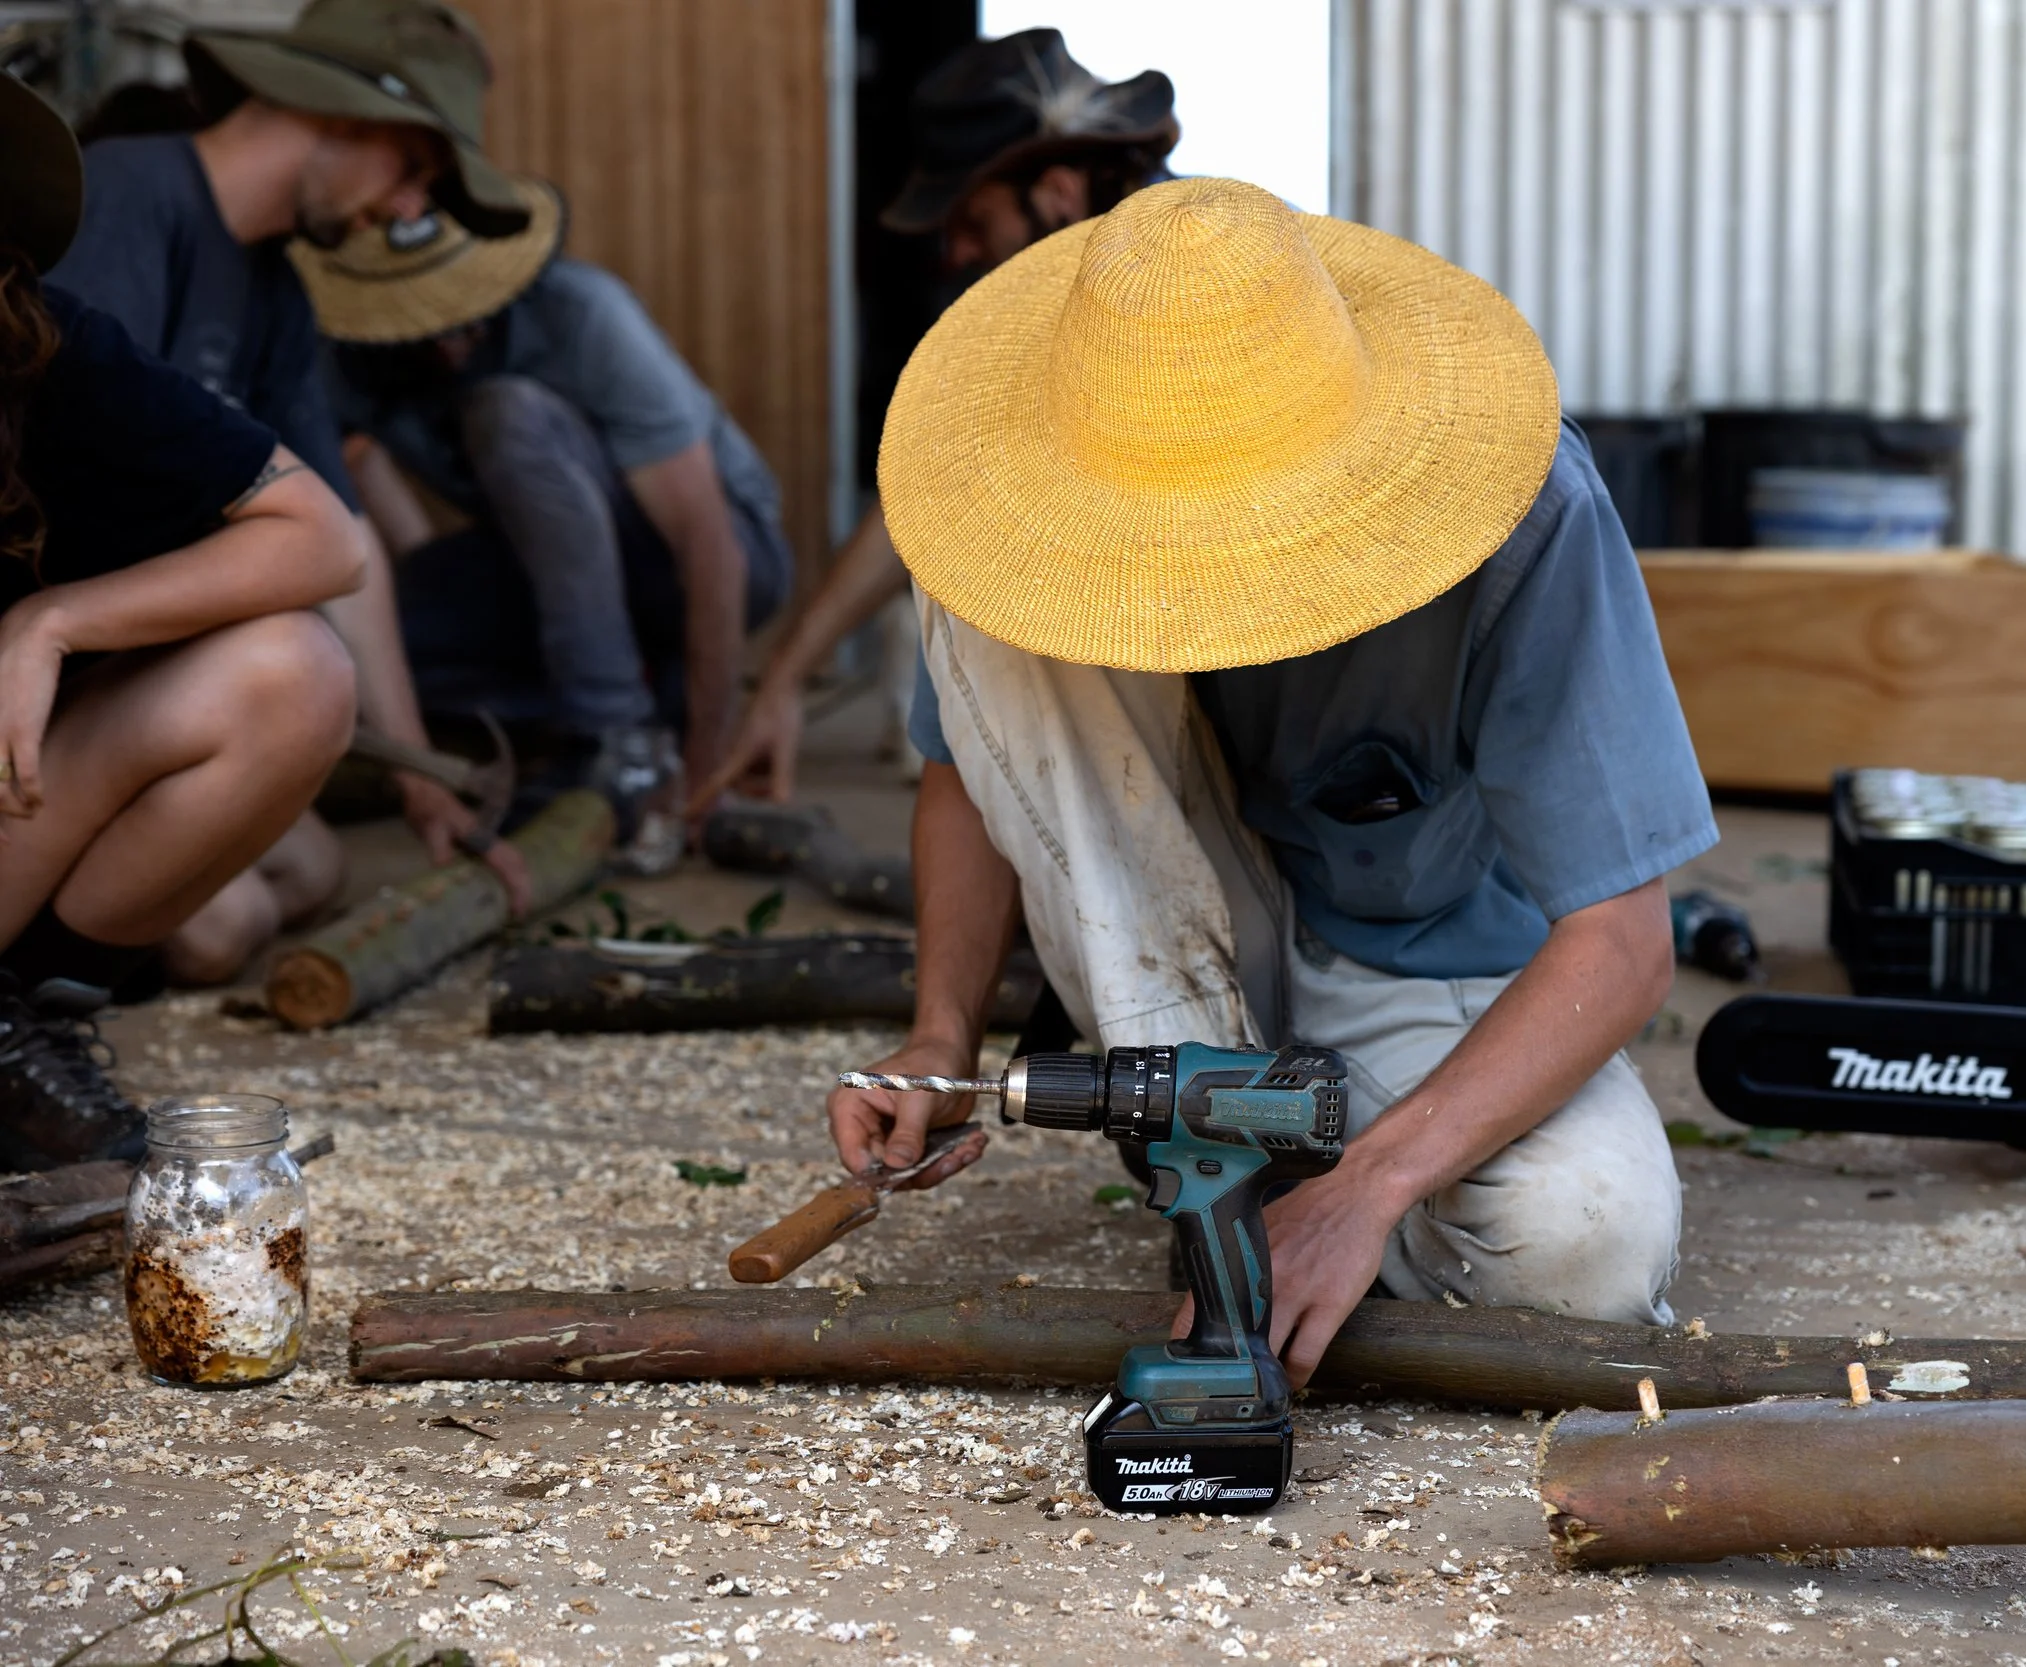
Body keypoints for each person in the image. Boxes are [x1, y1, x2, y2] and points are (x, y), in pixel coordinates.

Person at [831, 178, 1719, 1382]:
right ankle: (1211, 1131)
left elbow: (1621, 942)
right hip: (1157, 974)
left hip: (1422, 971)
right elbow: (972, 774)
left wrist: (1370, 1184)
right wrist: (938, 1035)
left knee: (1585, 1252)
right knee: (974, 595)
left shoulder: (1528, 511)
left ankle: (1301, 1186)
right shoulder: (1020, 517)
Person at [46, 0, 532, 978]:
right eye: (411, 170)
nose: (408, 212)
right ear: (341, 113)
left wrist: (419, 783)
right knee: (216, 926)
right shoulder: (130, 196)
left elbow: (345, 545)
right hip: (45, 670)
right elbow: (62, 490)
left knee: (309, 868)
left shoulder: (274, 287)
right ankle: (36, 972)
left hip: (134, 672)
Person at [0, 72, 362, 1166]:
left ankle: (19, 1028)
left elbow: (324, 537)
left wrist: (50, 621)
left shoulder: (49, 351)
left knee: (292, 670)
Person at [693, 28, 1176, 810]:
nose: (957, 252)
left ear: (1055, 193)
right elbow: (923, 497)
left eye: (975, 223)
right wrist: (781, 683)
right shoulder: (1043, 313)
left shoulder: (1198, 288)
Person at [293, 178, 792, 796]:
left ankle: (613, 733)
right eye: (420, 320)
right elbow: (356, 476)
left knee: (508, 416)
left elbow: (708, 546)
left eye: (460, 312)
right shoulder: (351, 355)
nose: (447, 341)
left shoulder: (583, 312)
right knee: (332, 646)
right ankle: (606, 701)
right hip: (545, 570)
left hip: (717, 561)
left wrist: (705, 757)